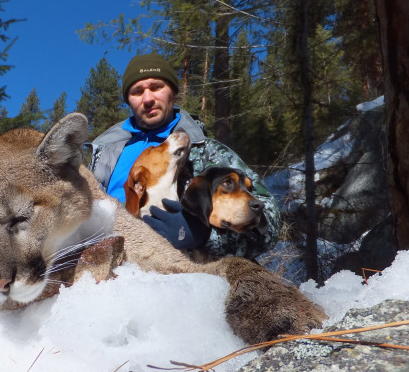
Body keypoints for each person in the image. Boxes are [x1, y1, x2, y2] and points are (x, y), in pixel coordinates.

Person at [88, 53, 280, 259]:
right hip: (105, 262)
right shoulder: (105, 152)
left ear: (173, 92)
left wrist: (204, 236)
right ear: (129, 100)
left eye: (156, 87)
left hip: (178, 270)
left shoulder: (206, 150)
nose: (148, 98)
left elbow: (270, 222)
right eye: (137, 91)